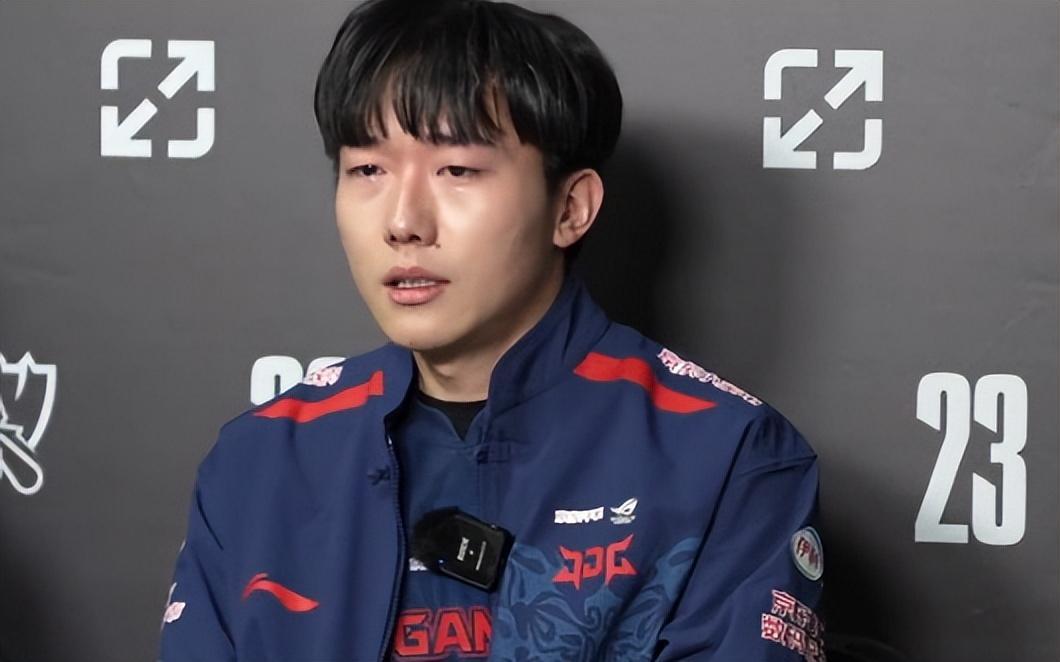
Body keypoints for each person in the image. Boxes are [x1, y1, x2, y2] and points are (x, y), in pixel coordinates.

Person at [158, 0, 825, 660]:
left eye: (457, 170)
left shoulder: (726, 456)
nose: (403, 222)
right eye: (367, 170)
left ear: (570, 208)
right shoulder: (260, 460)